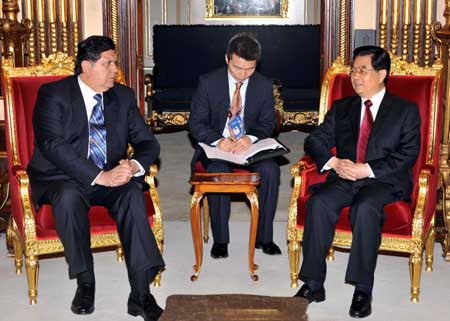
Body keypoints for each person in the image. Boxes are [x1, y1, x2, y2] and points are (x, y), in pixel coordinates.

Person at [27, 36, 165, 321]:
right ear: (87, 67)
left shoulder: (122, 97)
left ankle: (140, 294)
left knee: (131, 195)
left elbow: (148, 143)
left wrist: (134, 165)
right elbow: (52, 144)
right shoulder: (53, 94)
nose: (115, 68)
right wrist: (99, 176)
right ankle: (85, 281)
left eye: (115, 61)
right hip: (63, 175)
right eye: (108, 63)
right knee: (67, 198)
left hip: (111, 174)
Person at [294, 46, 420, 318]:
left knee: (366, 208)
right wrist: (334, 162)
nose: (355, 76)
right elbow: (314, 139)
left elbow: (408, 154)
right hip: (345, 174)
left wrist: (369, 169)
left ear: (382, 74)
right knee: (319, 203)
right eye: (353, 70)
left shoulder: (405, 110)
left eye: (363, 70)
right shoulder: (343, 108)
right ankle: (313, 284)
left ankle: (363, 289)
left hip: (382, 181)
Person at [188, 33, 281, 259]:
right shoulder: (208, 82)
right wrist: (219, 141)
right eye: (238, 68)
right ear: (227, 59)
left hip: (248, 146)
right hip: (218, 147)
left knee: (271, 169)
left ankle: (264, 237)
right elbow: (196, 123)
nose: (243, 75)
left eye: (250, 69)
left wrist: (250, 138)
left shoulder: (263, 84)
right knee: (218, 171)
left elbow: (269, 122)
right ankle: (221, 240)